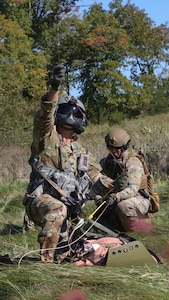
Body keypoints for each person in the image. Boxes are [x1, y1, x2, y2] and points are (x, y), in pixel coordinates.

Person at [23, 63, 111, 263]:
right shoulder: (46, 139)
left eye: (76, 113)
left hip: (70, 210)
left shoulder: (82, 153)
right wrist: (54, 89)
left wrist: (116, 186)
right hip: (41, 202)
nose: (71, 115)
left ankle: (59, 258)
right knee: (57, 210)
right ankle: (45, 266)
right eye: (66, 110)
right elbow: (44, 116)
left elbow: (97, 176)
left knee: (66, 255)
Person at [88, 128, 154, 233]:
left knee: (123, 206)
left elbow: (133, 188)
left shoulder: (132, 161)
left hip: (137, 198)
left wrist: (117, 197)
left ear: (124, 147)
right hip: (112, 199)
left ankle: (135, 232)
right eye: (111, 148)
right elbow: (99, 183)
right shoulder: (105, 162)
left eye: (117, 148)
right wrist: (98, 197)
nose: (114, 151)